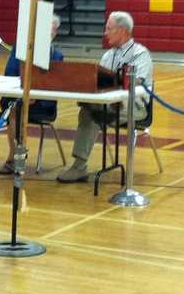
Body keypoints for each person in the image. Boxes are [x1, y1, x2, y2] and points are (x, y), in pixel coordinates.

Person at [57, 12, 152, 184]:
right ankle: (79, 166)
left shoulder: (140, 54)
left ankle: (79, 166)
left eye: (109, 29)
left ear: (122, 31)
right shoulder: (108, 55)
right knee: (88, 111)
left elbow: (136, 82)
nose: (105, 33)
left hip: (134, 108)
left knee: (90, 112)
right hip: (108, 105)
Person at [0, 16, 64, 175]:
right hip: (17, 99)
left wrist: (36, 96)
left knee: (16, 111)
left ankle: (15, 158)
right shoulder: (19, 49)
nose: (49, 31)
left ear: (55, 31)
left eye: (52, 28)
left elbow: (55, 84)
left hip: (42, 105)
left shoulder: (57, 55)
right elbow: (10, 74)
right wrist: (24, 94)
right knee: (15, 110)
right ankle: (14, 157)